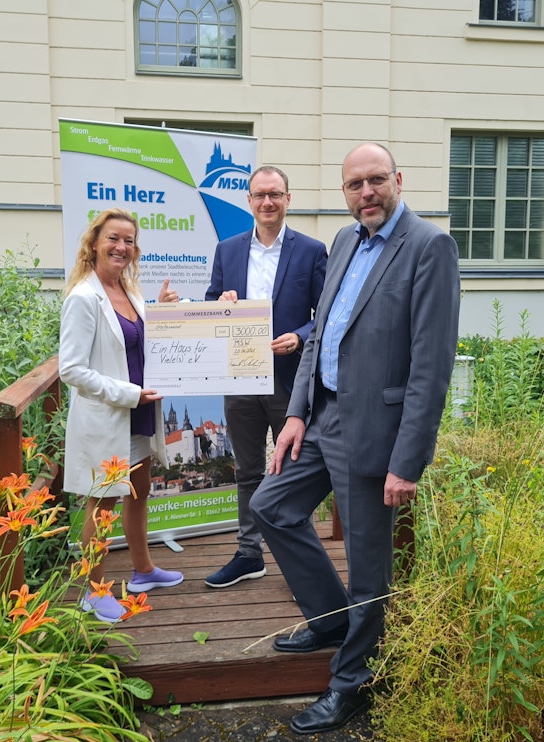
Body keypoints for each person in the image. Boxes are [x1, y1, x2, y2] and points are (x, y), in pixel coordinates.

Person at [250, 143, 460, 734]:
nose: (365, 193)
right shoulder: (344, 241)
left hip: (378, 430)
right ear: (343, 193)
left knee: (369, 563)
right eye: (353, 185)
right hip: (322, 417)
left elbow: (431, 365)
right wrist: (295, 414)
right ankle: (333, 618)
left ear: (397, 180)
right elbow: (320, 335)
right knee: (272, 505)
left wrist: (408, 462)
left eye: (375, 181)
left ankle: (353, 683)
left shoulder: (428, 247)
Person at [203, 165, 327, 589]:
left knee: (295, 470)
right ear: (249, 201)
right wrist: (221, 301)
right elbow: (209, 304)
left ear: (288, 199)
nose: (267, 202)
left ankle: (301, 565)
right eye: (260, 195)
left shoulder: (311, 250)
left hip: (289, 378)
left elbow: (325, 315)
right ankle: (248, 554)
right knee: (247, 470)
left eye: (275, 194)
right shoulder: (228, 249)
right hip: (239, 377)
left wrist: (300, 335)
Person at [60, 207, 183, 623]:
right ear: (94, 243)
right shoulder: (83, 297)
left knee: (140, 490)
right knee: (103, 505)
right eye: (113, 238)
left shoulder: (130, 291)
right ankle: (94, 593)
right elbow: (71, 370)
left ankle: (144, 571)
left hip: (138, 415)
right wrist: (130, 393)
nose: (121, 247)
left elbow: (139, 344)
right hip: (112, 414)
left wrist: (165, 312)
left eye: (129, 241)